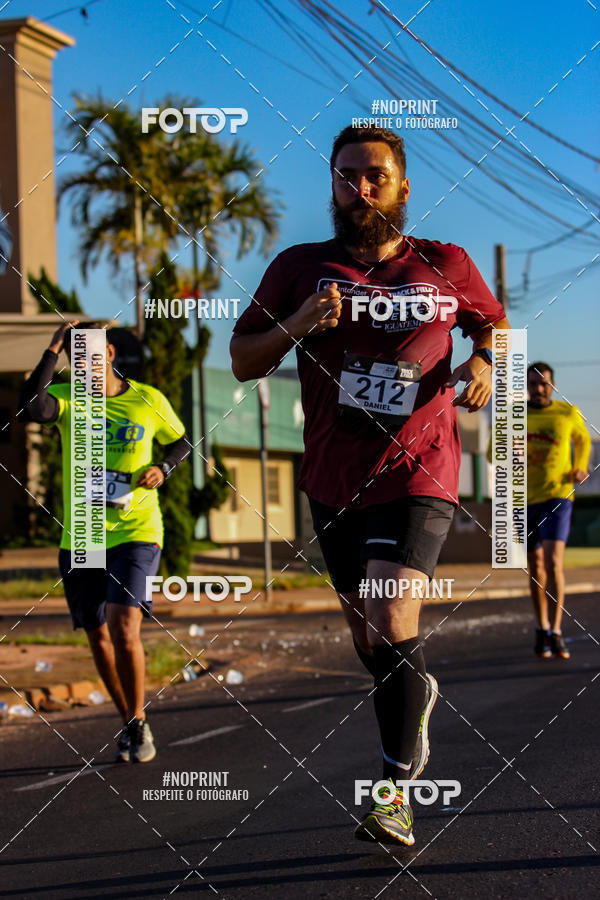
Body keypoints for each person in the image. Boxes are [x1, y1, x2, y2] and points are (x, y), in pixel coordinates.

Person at [230, 125, 509, 846]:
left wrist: (484, 364)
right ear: (331, 183)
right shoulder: (299, 268)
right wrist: (296, 324)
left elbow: (495, 326)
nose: (361, 189)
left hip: (420, 470)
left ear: (403, 184)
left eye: (376, 175)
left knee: (388, 617)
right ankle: (414, 688)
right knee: (368, 633)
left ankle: (394, 789)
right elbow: (241, 361)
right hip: (333, 479)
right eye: (347, 175)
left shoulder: (444, 263)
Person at [19, 321, 190, 762]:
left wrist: (163, 469)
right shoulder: (68, 400)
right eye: (76, 360)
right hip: (83, 532)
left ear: (109, 354)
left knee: (123, 627)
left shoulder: (148, 400)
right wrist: (53, 348)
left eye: (90, 357)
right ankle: (131, 723)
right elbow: (30, 409)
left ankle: (138, 720)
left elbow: (182, 442)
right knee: (97, 636)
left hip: (136, 530)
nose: (83, 367)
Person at [526, 362, 591, 660]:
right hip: (523, 498)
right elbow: (491, 451)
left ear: (552, 385)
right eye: (533, 384)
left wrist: (580, 465)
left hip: (558, 494)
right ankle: (541, 628)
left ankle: (556, 629)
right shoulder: (515, 415)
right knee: (536, 567)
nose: (539, 389)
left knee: (553, 562)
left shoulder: (567, 412)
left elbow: (583, 439)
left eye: (544, 383)